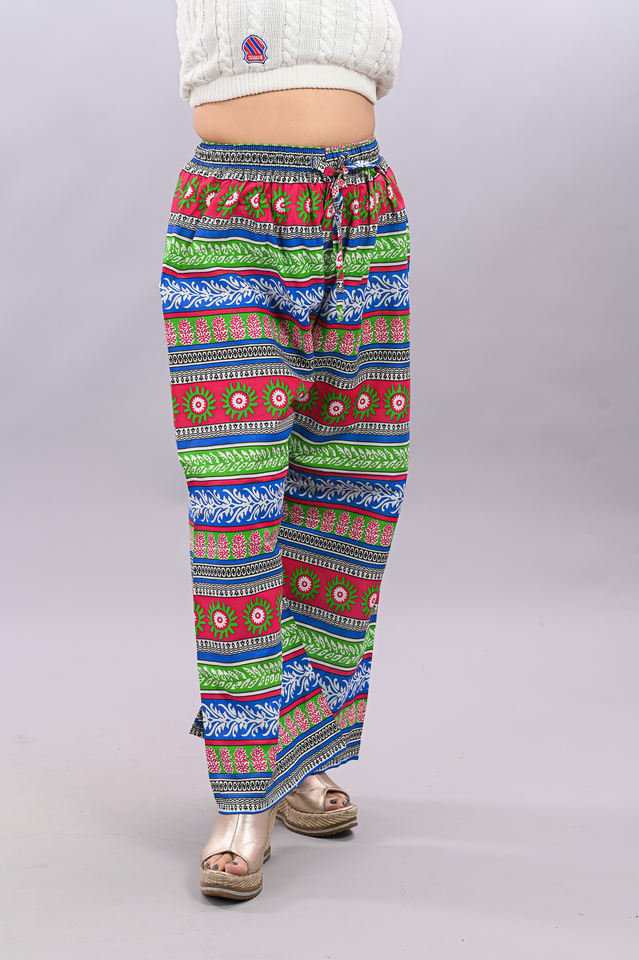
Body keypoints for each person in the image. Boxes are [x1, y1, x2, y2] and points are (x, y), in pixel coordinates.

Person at [159, 0, 410, 900]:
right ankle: (242, 798)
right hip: (233, 212)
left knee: (349, 494)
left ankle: (295, 756)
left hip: (363, 208)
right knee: (237, 512)